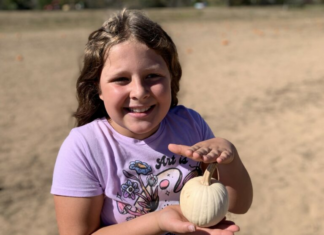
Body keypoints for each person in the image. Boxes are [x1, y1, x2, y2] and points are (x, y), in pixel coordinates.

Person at [51, 9, 253, 235]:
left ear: (171, 78)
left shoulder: (190, 124)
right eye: (121, 79)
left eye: (152, 76)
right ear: (97, 88)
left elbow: (238, 205)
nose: (139, 92)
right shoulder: (85, 147)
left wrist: (230, 158)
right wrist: (157, 222)